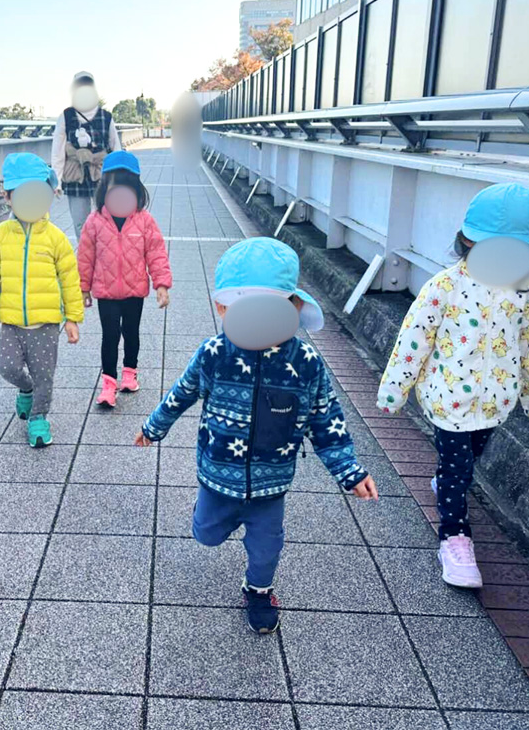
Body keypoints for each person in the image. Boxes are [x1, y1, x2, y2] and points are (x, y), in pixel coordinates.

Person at [134, 238, 377, 634]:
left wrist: (349, 471)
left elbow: (326, 419)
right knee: (206, 534)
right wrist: (153, 428)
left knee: (267, 546)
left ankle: (259, 589)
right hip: (218, 474)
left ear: (294, 308)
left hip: (272, 482)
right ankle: (217, 520)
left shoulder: (306, 363)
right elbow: (182, 393)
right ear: (222, 309)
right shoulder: (215, 353)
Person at [377, 183, 529, 589]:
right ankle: (454, 538)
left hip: (496, 400)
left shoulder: (524, 291)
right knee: (460, 469)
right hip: (449, 399)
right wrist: (394, 390)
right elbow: (414, 338)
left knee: (469, 458)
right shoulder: (445, 286)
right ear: (466, 241)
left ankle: (445, 484)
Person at [0, 152, 84, 448]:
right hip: (12, 323)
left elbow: (70, 279)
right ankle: (26, 389)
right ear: (8, 197)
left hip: (46, 325)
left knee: (45, 375)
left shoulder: (56, 238)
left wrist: (72, 318)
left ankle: (39, 417)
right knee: (7, 368)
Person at [77, 151, 172, 407]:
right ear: (105, 185)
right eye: (115, 183)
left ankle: (130, 372)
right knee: (110, 335)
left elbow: (156, 253)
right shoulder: (95, 221)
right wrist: (83, 288)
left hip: (134, 291)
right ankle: (109, 384)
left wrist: (161, 284)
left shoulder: (144, 220)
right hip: (105, 292)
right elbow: (85, 256)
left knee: (131, 332)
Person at [51, 71, 121, 239]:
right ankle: (86, 259)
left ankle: (103, 257)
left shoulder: (106, 117)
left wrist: (119, 179)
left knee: (106, 220)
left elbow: (116, 148)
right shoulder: (66, 117)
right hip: (76, 174)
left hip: (101, 173)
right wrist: (56, 180)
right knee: (80, 223)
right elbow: (58, 151)